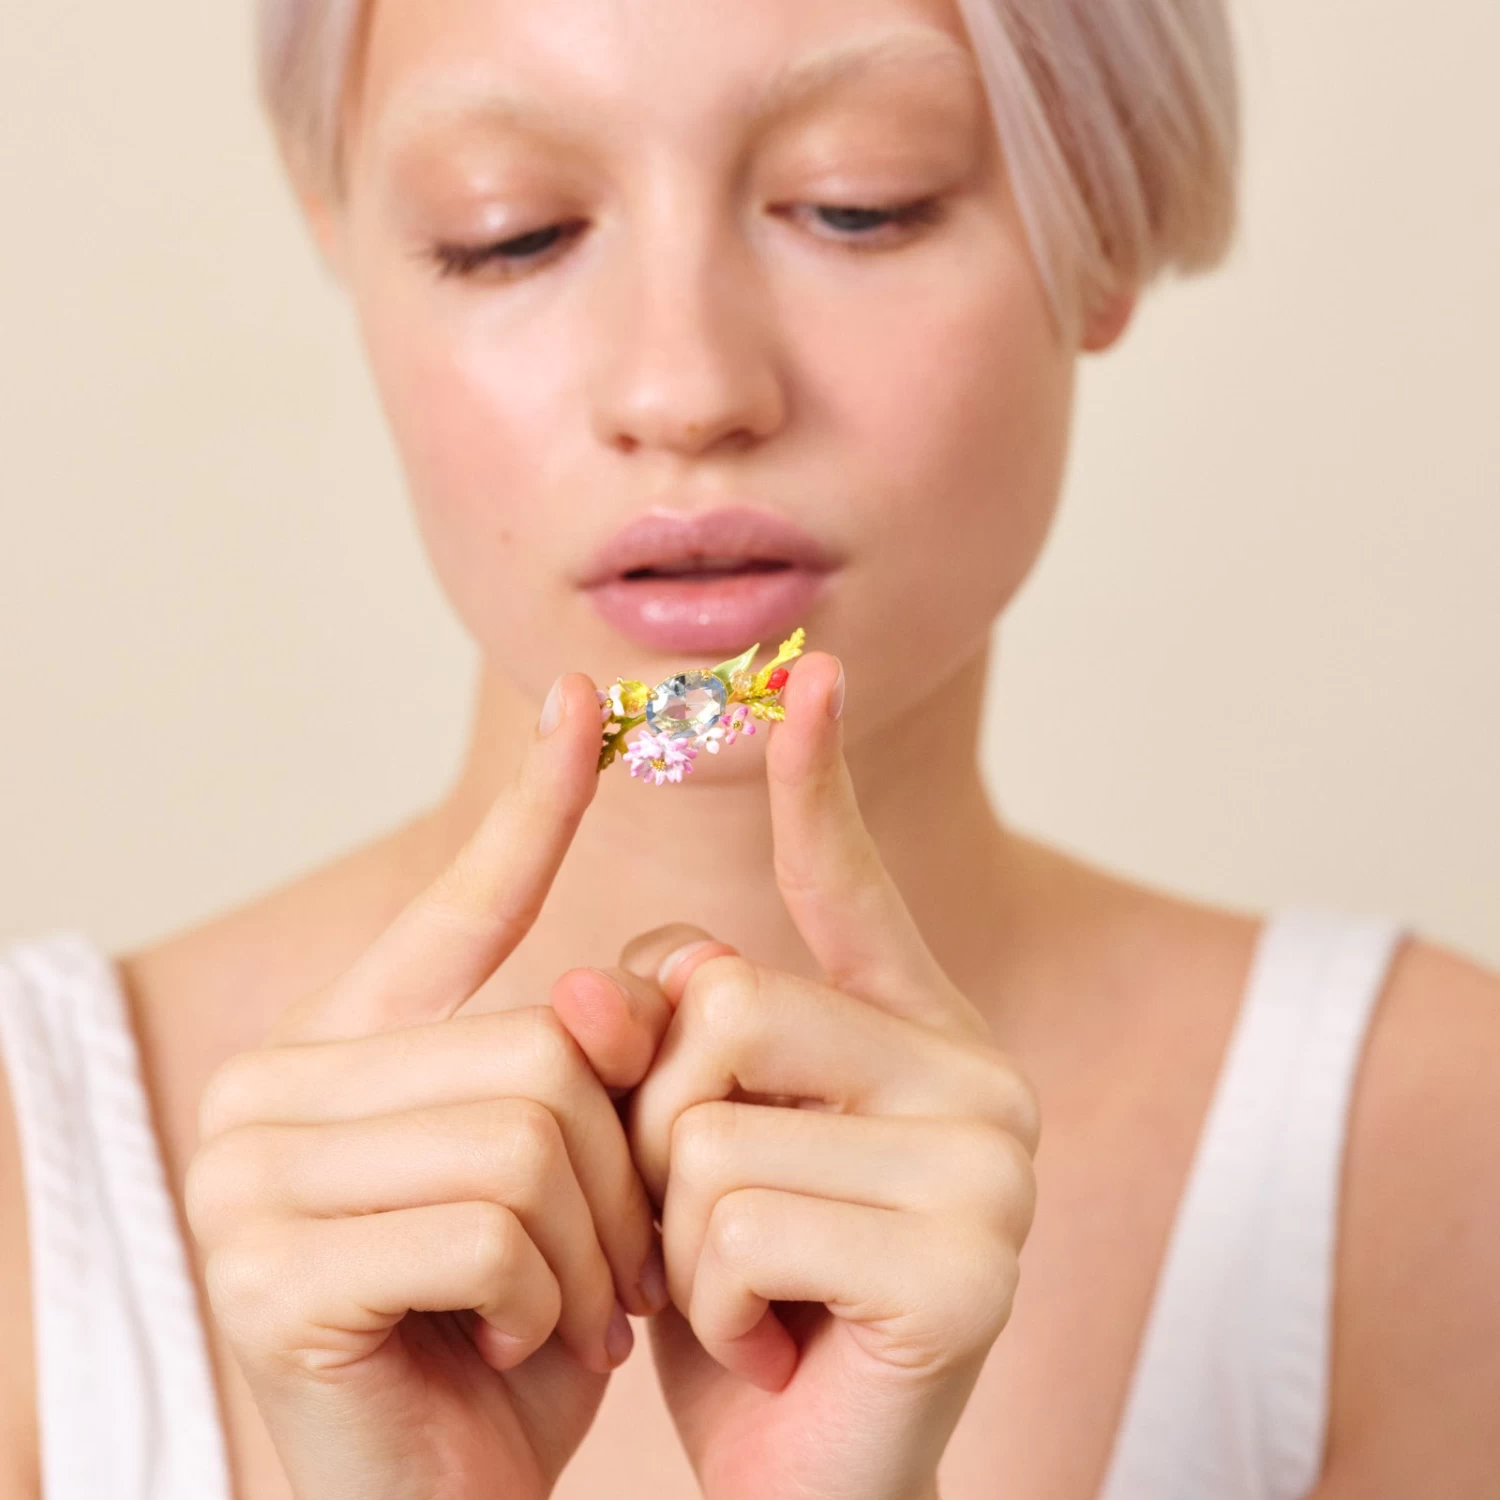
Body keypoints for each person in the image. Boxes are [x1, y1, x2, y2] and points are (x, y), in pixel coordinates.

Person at [2, 0, 1497, 1495]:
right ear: (339, 227)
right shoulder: (37, 1173)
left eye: (860, 205)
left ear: (1098, 219)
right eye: (508, 232)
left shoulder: (1432, 1151)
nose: (688, 390)